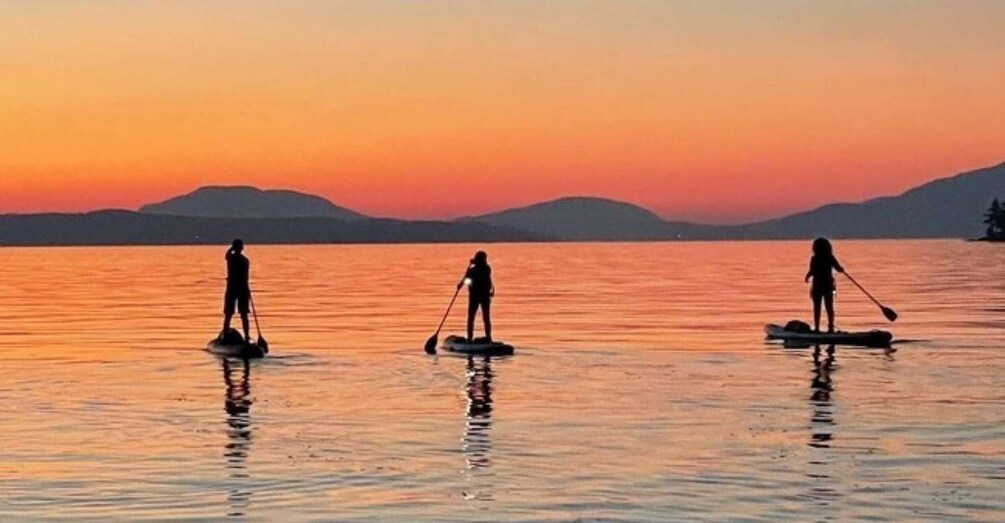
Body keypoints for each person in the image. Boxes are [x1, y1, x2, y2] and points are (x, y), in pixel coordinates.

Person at [804, 238, 844, 333]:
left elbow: (812, 271)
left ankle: (817, 328)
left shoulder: (815, 258)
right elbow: (838, 268)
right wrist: (841, 269)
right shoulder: (830, 257)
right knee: (829, 306)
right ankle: (830, 328)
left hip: (818, 286)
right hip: (828, 285)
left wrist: (807, 277)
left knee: (817, 307)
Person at [458, 251, 495, 343]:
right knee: (485, 317)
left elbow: (467, 277)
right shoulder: (487, 268)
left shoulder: (475, 270)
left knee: (472, 318)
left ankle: (470, 339)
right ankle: (487, 337)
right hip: (484, 296)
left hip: (476, 296)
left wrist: (469, 267)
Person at [221, 239, 251, 342]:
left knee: (230, 314)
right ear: (242, 248)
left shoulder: (233, 258)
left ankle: (226, 335)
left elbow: (227, 254)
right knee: (240, 314)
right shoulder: (244, 260)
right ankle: (246, 336)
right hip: (242, 288)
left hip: (234, 289)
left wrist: (232, 248)